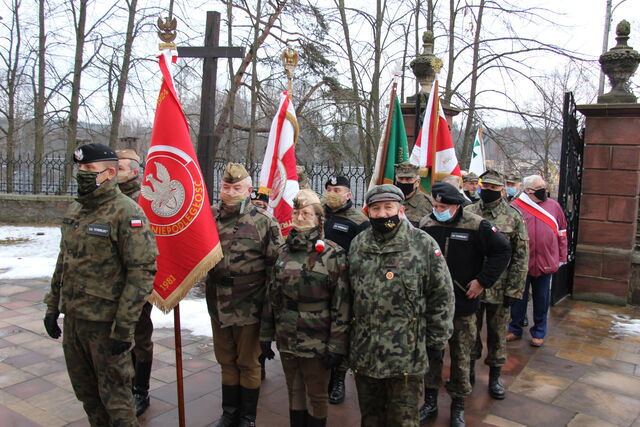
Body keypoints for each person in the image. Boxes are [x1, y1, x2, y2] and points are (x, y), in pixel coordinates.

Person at [43, 143, 157, 426]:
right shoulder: (77, 209)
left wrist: (124, 328)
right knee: (87, 394)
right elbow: (64, 261)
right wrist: (51, 306)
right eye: (80, 168)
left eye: (89, 169)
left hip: (106, 326)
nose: (82, 173)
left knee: (116, 401)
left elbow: (141, 273)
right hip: (75, 322)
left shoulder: (126, 212)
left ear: (108, 173)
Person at [349, 184, 454, 427]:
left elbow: (442, 296)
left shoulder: (423, 244)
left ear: (401, 209)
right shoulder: (358, 244)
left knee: (403, 420)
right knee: (370, 418)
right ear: (368, 212)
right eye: (376, 208)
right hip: (366, 353)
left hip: (406, 357)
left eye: (389, 207)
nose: (383, 214)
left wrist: (437, 342)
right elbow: (348, 297)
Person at [420, 182, 511, 427]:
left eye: (443, 206)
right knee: (432, 354)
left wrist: (482, 281)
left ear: (457, 206)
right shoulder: (427, 224)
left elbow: (502, 251)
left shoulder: (476, 225)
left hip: (463, 303)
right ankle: (429, 401)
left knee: (461, 356)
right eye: (435, 205)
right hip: (433, 305)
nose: (437, 210)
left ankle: (458, 404)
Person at [260, 189, 350, 427]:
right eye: (297, 213)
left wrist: (337, 345)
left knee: (317, 394)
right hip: (287, 335)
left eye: (307, 214)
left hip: (317, 339)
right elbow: (272, 295)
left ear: (319, 219)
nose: (300, 218)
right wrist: (266, 335)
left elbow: (342, 304)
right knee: (294, 389)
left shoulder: (333, 254)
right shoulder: (283, 251)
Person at [206, 163, 284, 427]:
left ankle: (247, 418)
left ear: (249, 190)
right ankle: (229, 414)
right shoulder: (208, 217)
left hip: (250, 302)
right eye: (226, 187)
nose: (230, 192)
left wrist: (270, 313)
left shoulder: (264, 221)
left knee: (248, 364)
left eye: (237, 188)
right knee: (226, 360)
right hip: (217, 300)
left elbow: (276, 270)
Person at [467, 170, 529, 400]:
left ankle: (495, 378)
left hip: (500, 288)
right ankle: (468, 374)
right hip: (471, 286)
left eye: (494, 188)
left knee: (497, 334)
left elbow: (521, 256)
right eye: (486, 186)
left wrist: (515, 289)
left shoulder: (513, 216)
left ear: (502, 190)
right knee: (469, 333)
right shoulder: (468, 212)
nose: (488, 191)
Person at [322, 175, 369, 404]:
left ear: (348, 194)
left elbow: (364, 256)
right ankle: (321, 373)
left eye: (337, 189)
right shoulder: (317, 213)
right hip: (318, 284)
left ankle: (339, 378)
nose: (332, 192)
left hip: (345, 285)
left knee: (342, 330)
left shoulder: (359, 221)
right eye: (329, 189)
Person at [116, 148, 155, 417]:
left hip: (138, 282)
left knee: (139, 337)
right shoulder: (107, 199)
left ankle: (141, 390)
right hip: (112, 283)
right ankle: (125, 385)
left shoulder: (143, 201)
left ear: (134, 172)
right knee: (119, 336)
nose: (113, 173)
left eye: (118, 169)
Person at [508, 175, 567, 347]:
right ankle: (515, 328)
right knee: (518, 298)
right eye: (540, 187)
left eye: (544, 186)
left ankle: (539, 332)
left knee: (542, 299)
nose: (544, 189)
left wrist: (562, 257)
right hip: (521, 263)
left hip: (545, 262)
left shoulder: (554, 206)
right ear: (528, 190)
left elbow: (562, 233)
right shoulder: (515, 206)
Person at [394, 161, 433, 227]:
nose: (404, 182)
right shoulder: (389, 200)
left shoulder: (428, 204)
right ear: (396, 180)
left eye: (409, 179)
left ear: (418, 182)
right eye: (401, 179)